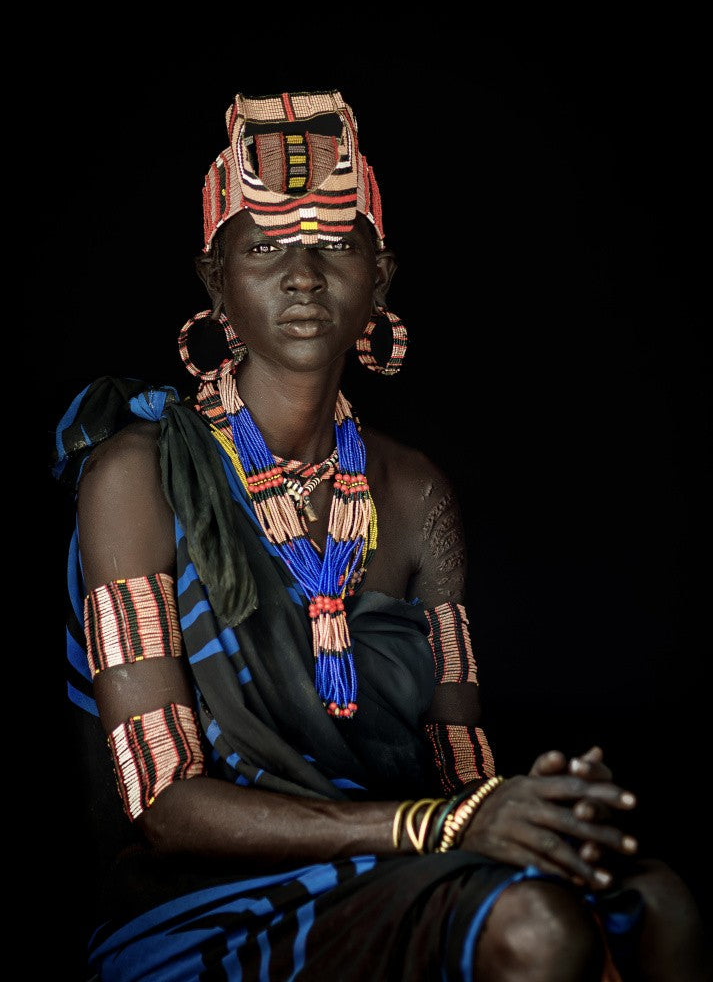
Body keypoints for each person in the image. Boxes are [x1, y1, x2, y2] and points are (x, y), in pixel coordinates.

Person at [52, 88, 708, 982]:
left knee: (653, 898)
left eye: (334, 247)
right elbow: (161, 806)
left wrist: (540, 806)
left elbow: (457, 771)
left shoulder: (414, 494)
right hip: (201, 896)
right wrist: (437, 827)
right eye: (266, 249)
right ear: (215, 280)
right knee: (536, 931)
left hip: (397, 862)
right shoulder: (136, 476)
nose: (302, 276)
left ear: (382, 276)